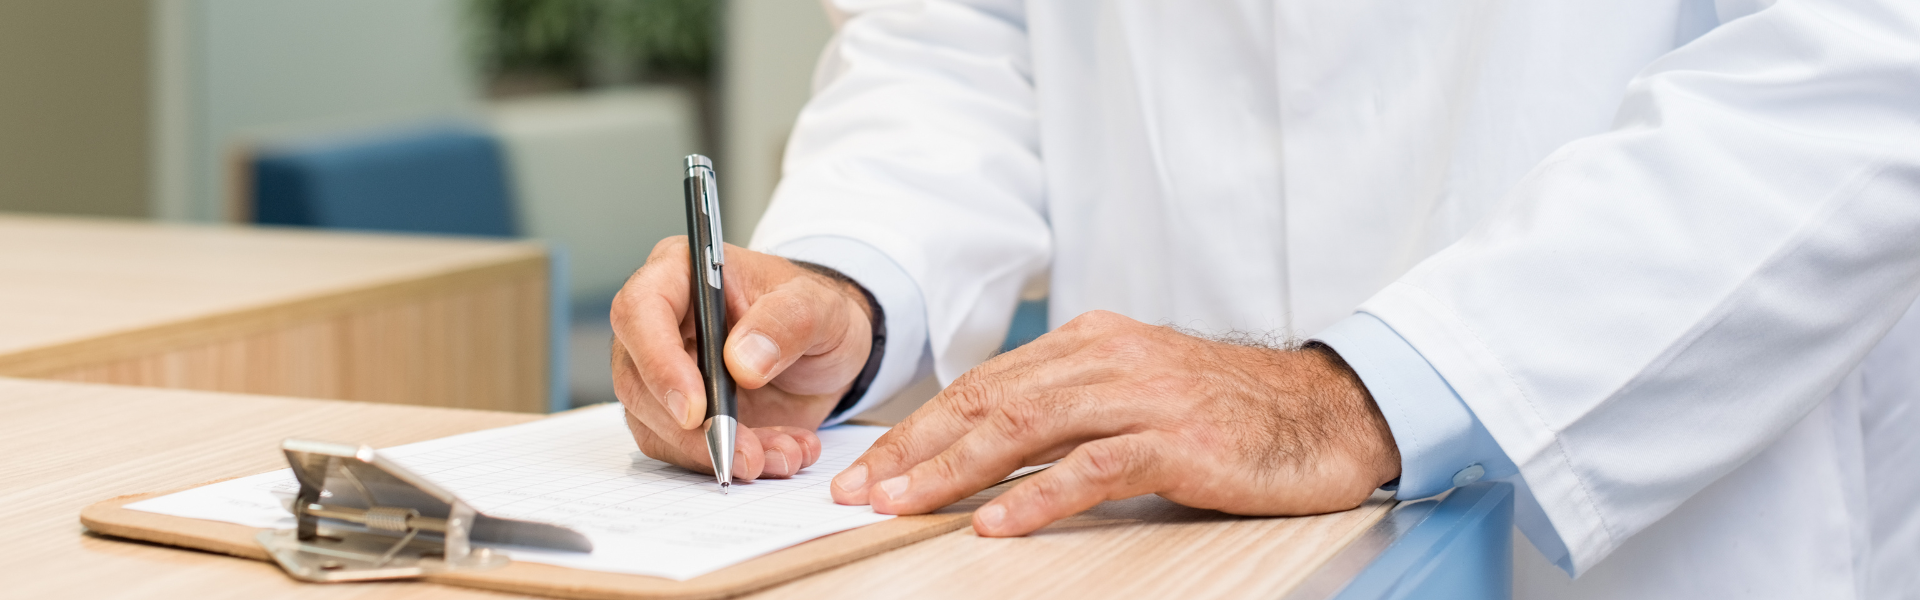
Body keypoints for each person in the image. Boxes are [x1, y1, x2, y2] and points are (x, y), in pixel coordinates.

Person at [610, 1, 1920, 597]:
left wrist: (1361, 391)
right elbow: (964, 33)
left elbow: (1864, 65)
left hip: (1666, 489)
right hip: (1174, 550)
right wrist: (851, 275)